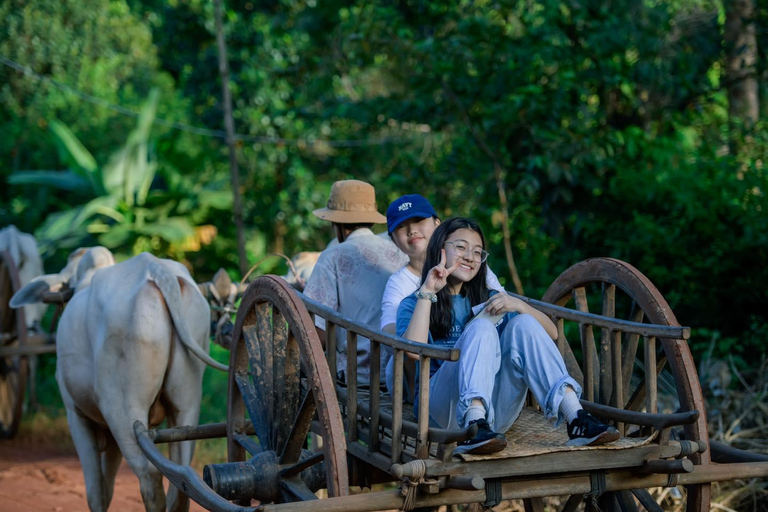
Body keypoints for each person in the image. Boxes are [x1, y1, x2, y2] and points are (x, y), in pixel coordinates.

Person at [396, 217, 620, 455]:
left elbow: (551, 333)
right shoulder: (415, 301)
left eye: (478, 252)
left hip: (495, 414)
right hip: (442, 413)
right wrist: (429, 291)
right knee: (482, 327)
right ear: (439, 249)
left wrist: (520, 306)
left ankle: (575, 416)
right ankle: (473, 423)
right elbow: (412, 351)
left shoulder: (488, 297)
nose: (470, 257)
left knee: (523, 322)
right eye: (461, 248)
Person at [380, 194, 504, 397]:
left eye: (419, 220)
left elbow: (501, 304)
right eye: (401, 227)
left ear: (438, 225)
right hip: (423, 373)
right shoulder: (399, 282)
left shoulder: (471, 266)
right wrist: (426, 317)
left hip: (471, 359)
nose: (412, 230)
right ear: (393, 239)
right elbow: (391, 332)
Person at [304, 179, 408, 386]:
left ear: (337, 224)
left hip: (357, 376)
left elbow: (317, 332)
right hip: (400, 372)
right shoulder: (401, 252)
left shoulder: (332, 256)